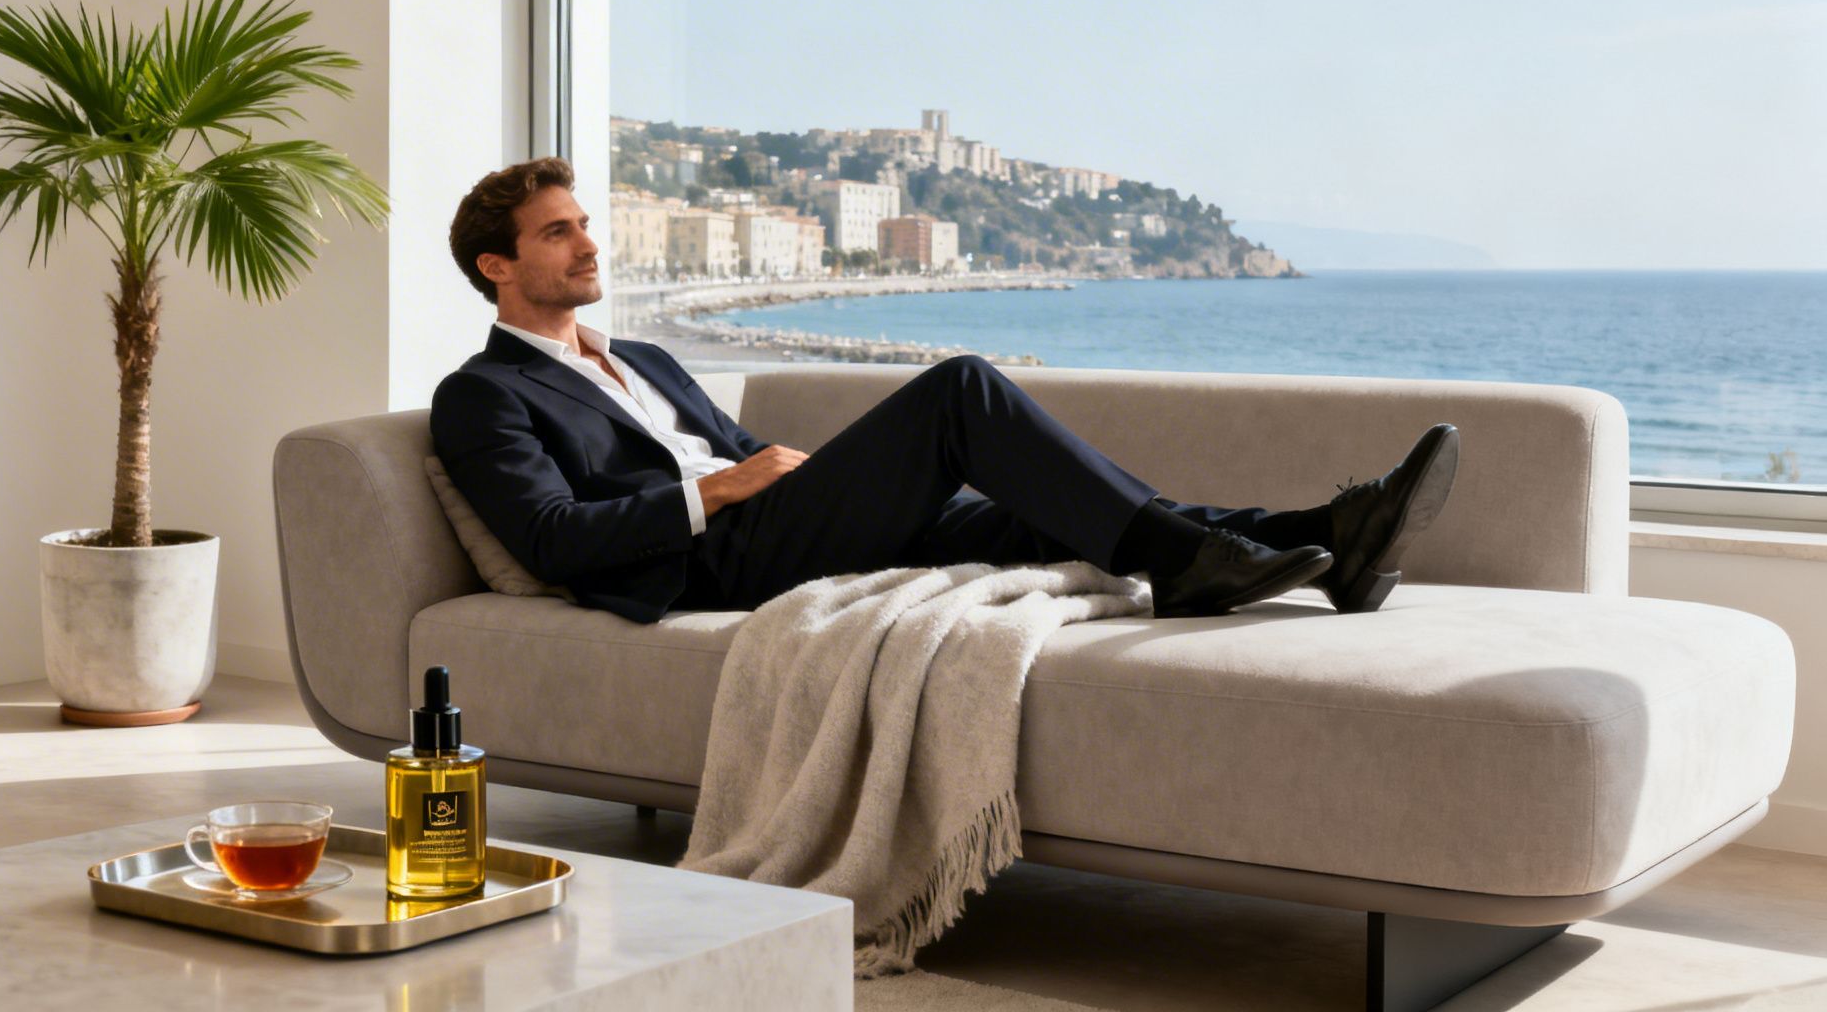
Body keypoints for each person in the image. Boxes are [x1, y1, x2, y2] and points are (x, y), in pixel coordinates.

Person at [431, 158, 1459, 625]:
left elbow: (736, 447)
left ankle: (1331, 538)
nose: (587, 244)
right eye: (556, 232)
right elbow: (554, 539)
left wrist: (774, 476)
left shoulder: (643, 358)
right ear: (496, 267)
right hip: (701, 564)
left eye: (582, 224)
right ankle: (1196, 559)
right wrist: (720, 493)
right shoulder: (484, 395)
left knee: (1030, 511)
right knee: (960, 389)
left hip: (769, 519)